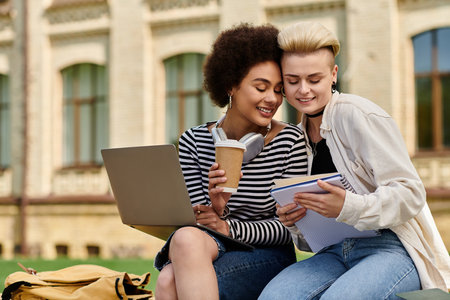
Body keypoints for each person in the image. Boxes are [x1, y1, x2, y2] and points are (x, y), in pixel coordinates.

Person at [259, 21, 450, 299]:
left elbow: (411, 193)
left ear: (333, 75)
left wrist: (348, 205)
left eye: (314, 79)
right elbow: (311, 241)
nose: (303, 90)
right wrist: (294, 221)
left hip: (391, 248)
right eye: (292, 81)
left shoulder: (358, 115)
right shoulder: (297, 136)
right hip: (333, 252)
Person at [154, 23, 309, 300]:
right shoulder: (193, 141)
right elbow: (194, 223)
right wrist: (217, 207)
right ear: (231, 85)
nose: (272, 99)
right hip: (209, 247)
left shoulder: (291, 141)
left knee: (169, 281)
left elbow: (291, 228)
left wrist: (229, 227)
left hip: (267, 255)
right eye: (261, 87)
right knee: (181, 248)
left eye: (278, 90)